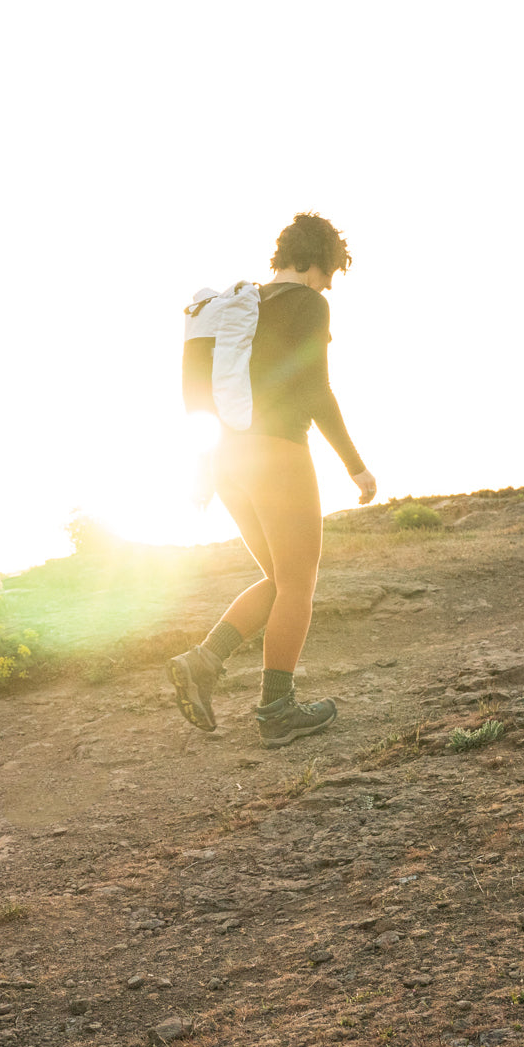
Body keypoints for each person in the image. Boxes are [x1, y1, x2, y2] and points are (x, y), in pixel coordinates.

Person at [167, 212, 376, 747]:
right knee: (299, 585)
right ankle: (277, 711)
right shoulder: (307, 303)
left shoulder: (233, 310)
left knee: (281, 580)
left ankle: (203, 662)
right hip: (278, 454)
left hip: (227, 460)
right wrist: (355, 465)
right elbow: (316, 390)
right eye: (329, 272)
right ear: (313, 262)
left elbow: (195, 398)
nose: (329, 285)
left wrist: (202, 469)